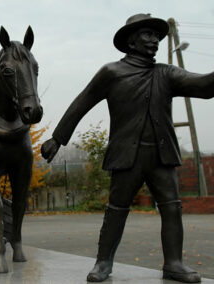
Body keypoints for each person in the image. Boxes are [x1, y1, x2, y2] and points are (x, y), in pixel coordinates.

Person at [42, 13, 214, 283]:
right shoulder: (112, 72)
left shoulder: (166, 73)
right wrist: (58, 138)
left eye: (157, 36)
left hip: (161, 154)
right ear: (131, 41)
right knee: (117, 209)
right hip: (127, 155)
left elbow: (204, 86)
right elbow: (82, 102)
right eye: (148, 35)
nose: (155, 40)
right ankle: (103, 263)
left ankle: (174, 263)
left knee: (172, 207)